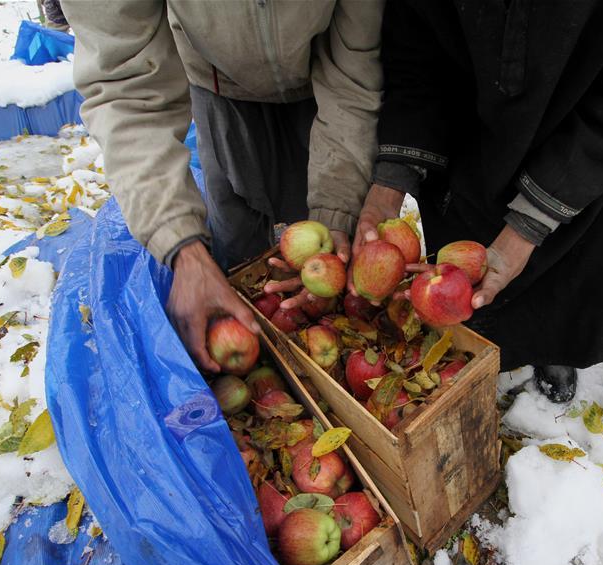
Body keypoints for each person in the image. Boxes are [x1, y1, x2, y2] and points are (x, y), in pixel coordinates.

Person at [354, 0, 603, 403]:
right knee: (472, 259)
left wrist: (528, 224)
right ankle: (488, 345)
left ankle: (556, 348)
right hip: (473, 110)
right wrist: (392, 179)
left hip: (598, 125)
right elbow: (414, 49)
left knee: (578, 263)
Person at [60, 0, 384, 372]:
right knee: (235, 247)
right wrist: (182, 246)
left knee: (334, 258)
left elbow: (354, 73)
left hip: (322, 83)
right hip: (216, 83)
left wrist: (337, 207)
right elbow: (123, 84)